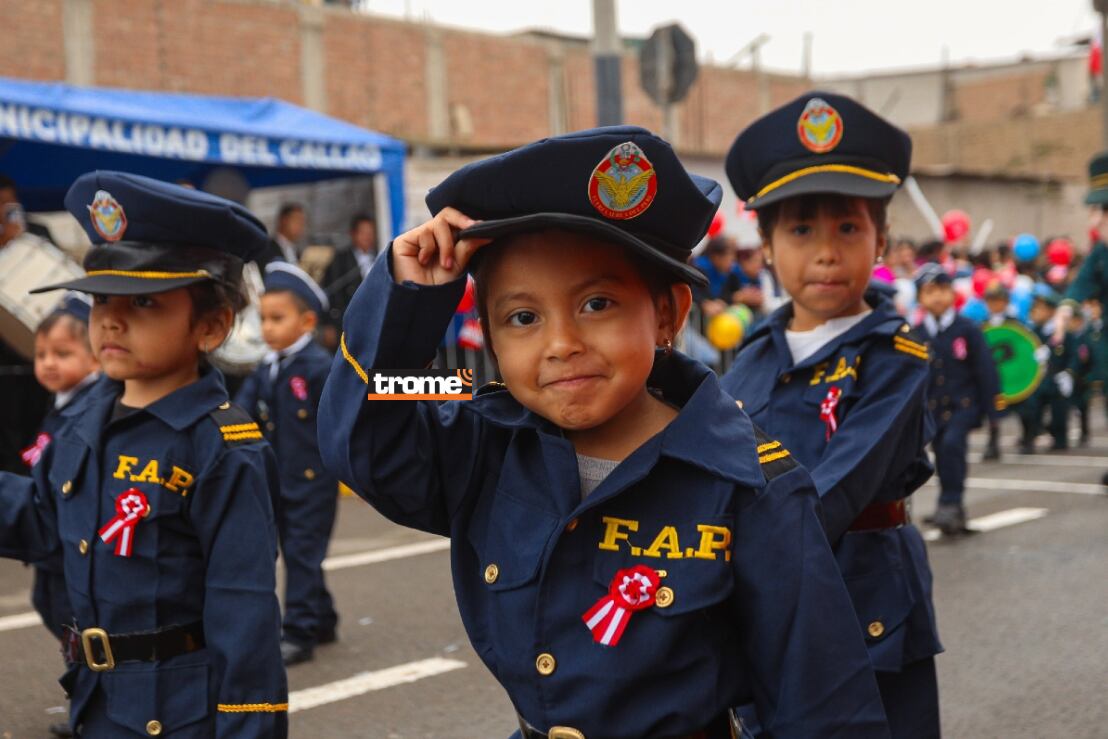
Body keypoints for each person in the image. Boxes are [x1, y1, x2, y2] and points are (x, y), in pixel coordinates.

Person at [319, 127, 889, 738]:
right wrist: (406, 306)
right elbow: (365, 436)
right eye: (523, 318)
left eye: (597, 305)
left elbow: (824, 708)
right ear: (489, 339)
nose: (561, 344)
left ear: (667, 313)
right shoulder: (484, 428)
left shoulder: (755, 483)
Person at [0, 171, 288, 737]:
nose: (110, 317)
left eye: (145, 302)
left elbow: (245, 619)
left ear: (211, 325)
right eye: (100, 297)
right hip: (95, 701)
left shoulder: (223, 449)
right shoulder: (83, 417)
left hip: (178, 714)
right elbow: (40, 520)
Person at [721, 92, 942, 738]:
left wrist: (731, 561)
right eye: (800, 229)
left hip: (867, 605)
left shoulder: (896, 357)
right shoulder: (750, 359)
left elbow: (841, 485)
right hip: (766, 606)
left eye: (848, 227)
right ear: (764, 244)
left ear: (881, 239)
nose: (826, 251)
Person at [235, 261, 339, 666]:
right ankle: (324, 618)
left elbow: (336, 422)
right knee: (295, 550)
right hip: (277, 477)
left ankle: (298, 632)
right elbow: (243, 410)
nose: (267, 328)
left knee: (302, 553)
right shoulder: (267, 366)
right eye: (263, 318)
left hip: (313, 480)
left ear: (307, 321)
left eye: (277, 319)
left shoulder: (319, 367)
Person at [26, 294, 100, 738]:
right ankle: (86, 700)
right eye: (41, 355)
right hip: (48, 541)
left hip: (70, 541)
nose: (49, 364)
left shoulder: (87, 409)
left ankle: (90, 709)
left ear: (94, 358)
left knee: (80, 627)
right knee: (50, 607)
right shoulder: (60, 403)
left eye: (62, 353)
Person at [913, 264, 1003, 535]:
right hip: (932, 409)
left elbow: (985, 370)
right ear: (920, 297)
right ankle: (950, 506)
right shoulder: (916, 333)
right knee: (940, 453)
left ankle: (951, 503)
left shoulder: (967, 329)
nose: (937, 297)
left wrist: (993, 411)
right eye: (929, 291)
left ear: (953, 293)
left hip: (963, 406)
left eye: (942, 289)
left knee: (952, 446)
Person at [319, 213, 378, 350]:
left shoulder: (378, 258)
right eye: (363, 233)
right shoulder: (340, 259)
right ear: (353, 234)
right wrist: (329, 324)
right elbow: (329, 292)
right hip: (347, 322)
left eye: (370, 233)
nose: (367, 237)